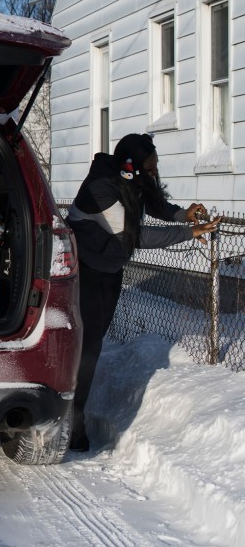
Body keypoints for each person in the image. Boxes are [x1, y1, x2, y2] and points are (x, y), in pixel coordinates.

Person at [65, 133, 221, 451]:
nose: (153, 173)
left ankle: (75, 408)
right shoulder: (100, 188)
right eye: (149, 168)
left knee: (93, 342)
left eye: (155, 167)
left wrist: (182, 214)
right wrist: (188, 232)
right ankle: (71, 420)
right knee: (88, 343)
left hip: (110, 267)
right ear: (130, 166)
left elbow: (154, 200)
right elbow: (136, 235)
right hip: (87, 269)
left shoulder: (133, 177)